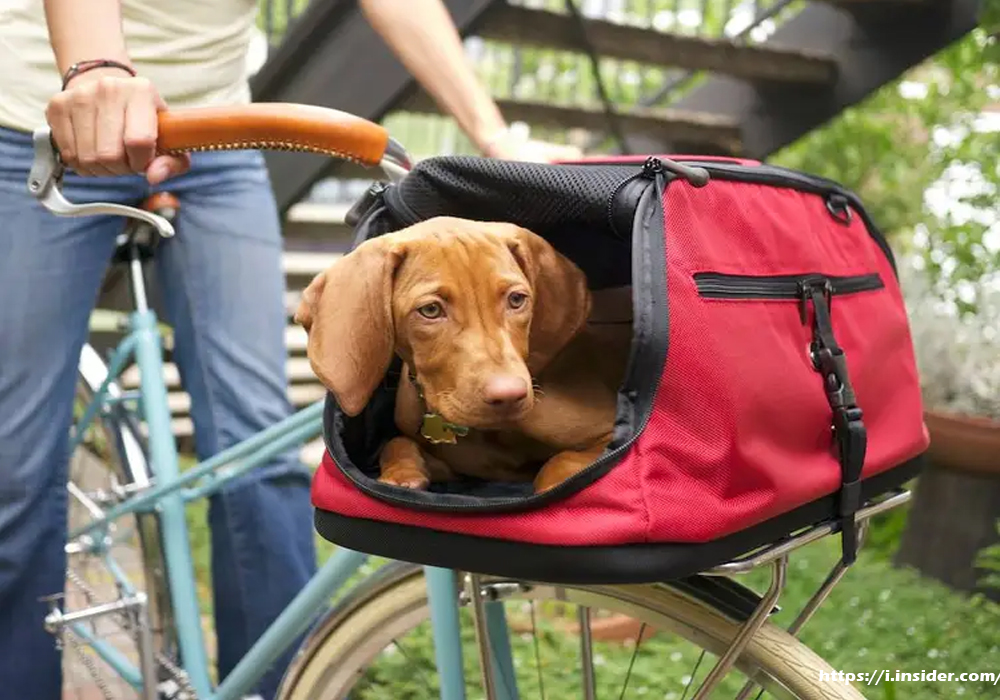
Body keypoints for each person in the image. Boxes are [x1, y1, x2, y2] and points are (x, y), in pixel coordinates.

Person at [0, 1, 581, 698]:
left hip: (216, 135)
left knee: (263, 455)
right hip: (45, 121)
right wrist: (96, 68)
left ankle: (279, 688)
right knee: (17, 470)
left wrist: (492, 135)